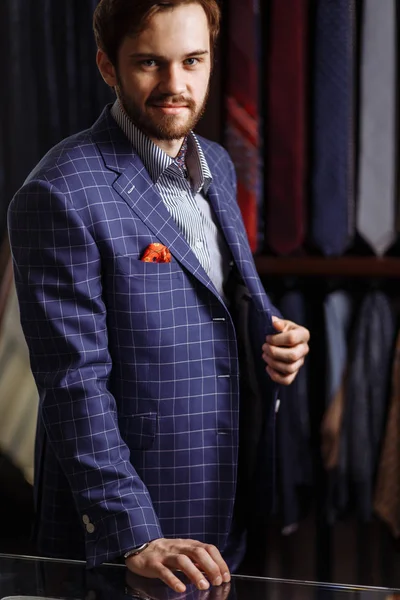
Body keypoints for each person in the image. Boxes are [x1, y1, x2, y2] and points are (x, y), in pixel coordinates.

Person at [8, 0, 310, 594]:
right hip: (131, 538)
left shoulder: (217, 165)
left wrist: (274, 343)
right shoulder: (59, 192)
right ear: (107, 65)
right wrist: (134, 535)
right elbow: (74, 383)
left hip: (223, 508)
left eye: (193, 61)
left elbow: (214, 306)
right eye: (150, 63)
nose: (177, 86)